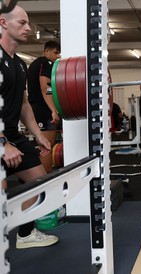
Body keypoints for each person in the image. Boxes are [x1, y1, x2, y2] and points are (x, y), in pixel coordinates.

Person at [0, 5, 59, 248]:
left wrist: (38, 136)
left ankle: (24, 234)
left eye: (28, 23)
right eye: (22, 23)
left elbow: (24, 103)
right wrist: (3, 144)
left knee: (39, 182)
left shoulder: (19, 64)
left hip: (12, 134)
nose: (28, 28)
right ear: (3, 23)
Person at [27, 40, 61, 172]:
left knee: (44, 146)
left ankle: (41, 179)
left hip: (37, 108)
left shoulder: (36, 64)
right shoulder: (46, 63)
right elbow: (45, 87)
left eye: (59, 53)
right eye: (55, 52)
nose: (58, 56)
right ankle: (45, 181)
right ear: (46, 51)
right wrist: (53, 110)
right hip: (43, 110)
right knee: (46, 146)